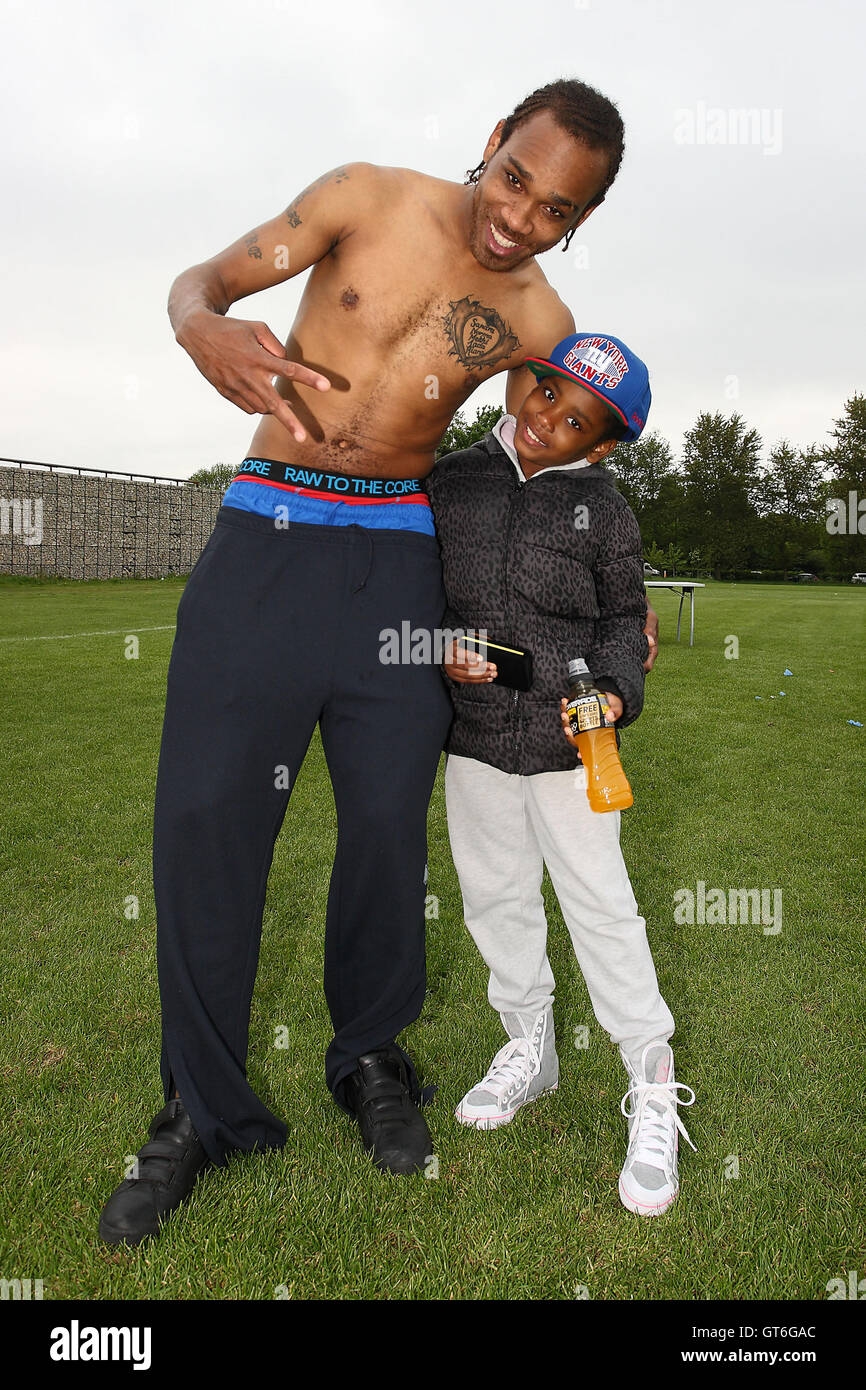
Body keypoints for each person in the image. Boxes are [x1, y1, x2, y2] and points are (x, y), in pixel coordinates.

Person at [99, 78, 660, 1248]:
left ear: (578, 221)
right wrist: (200, 323)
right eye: (516, 178)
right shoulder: (363, 194)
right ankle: (196, 1107)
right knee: (207, 820)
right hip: (269, 530)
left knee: (385, 829)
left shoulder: (541, 318)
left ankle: (368, 1057)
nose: (519, 217)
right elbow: (203, 281)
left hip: (400, 557)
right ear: (492, 139)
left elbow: (569, 447)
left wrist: (625, 598)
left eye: (554, 211)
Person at [424, 332, 695, 1215]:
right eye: (546, 394)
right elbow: (414, 594)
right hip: (475, 739)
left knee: (600, 906)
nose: (549, 421)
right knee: (494, 898)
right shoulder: (449, 478)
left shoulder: (605, 510)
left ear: (603, 446)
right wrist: (437, 647)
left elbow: (622, 618)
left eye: (577, 421)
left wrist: (615, 691)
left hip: (572, 744)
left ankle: (650, 1078)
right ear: (523, 382)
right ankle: (528, 1047)